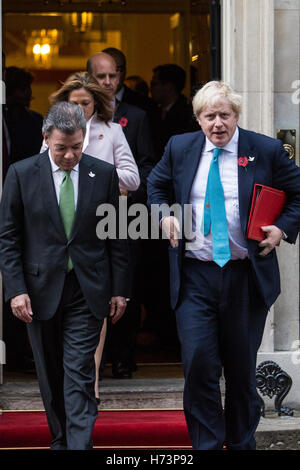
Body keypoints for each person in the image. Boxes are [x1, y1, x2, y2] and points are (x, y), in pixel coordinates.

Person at [147, 80, 300, 450]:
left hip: (245, 275)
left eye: (224, 115)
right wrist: (165, 215)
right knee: (199, 364)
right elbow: (155, 186)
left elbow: (297, 195)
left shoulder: (264, 150)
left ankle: (241, 442)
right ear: (198, 118)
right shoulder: (180, 147)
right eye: (209, 116)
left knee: (242, 371)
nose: (217, 123)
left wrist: (281, 229)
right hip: (195, 275)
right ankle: (207, 446)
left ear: (236, 116)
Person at [0, 102, 130, 450]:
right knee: (51, 374)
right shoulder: (21, 173)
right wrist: (15, 290)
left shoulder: (103, 174)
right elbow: (8, 238)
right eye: (61, 148)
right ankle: (61, 439)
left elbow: (117, 236)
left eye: (76, 146)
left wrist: (120, 290)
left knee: (79, 373)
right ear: (46, 139)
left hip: (87, 289)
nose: (70, 155)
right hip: (39, 289)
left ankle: (78, 445)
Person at [40, 71, 140, 400]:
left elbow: (133, 177)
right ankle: (78, 382)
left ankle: (91, 380)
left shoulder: (111, 131)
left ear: (96, 103)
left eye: (86, 102)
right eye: (75, 102)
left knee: (97, 301)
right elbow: (39, 172)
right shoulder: (52, 132)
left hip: (102, 219)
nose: (81, 108)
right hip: (64, 225)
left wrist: (93, 173)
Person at [87, 52, 155, 379]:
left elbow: (147, 165)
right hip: (83, 220)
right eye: (101, 77)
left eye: (112, 76)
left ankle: (123, 357)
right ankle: (88, 366)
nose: (108, 82)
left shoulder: (136, 116)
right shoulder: (77, 114)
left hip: (124, 215)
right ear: (89, 79)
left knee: (125, 287)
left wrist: (125, 193)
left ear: (120, 75)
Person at [150, 63, 198, 160]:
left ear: (169, 87)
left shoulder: (188, 116)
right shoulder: (152, 112)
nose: (150, 89)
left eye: (154, 84)